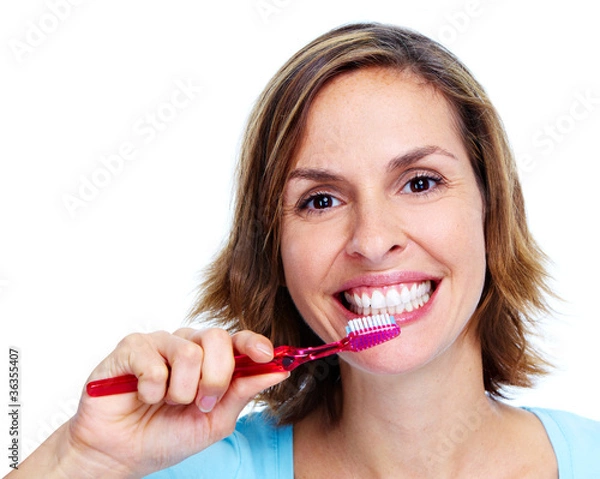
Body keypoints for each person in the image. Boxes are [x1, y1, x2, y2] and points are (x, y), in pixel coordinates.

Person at [9, 22, 600, 479]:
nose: (371, 241)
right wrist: (83, 458)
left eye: (419, 182)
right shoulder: (175, 465)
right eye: (320, 200)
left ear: (491, 210)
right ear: (275, 249)